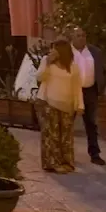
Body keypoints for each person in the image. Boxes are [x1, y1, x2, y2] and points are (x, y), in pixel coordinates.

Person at [37, 39, 84, 174]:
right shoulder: (47, 62)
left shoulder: (73, 67)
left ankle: (66, 162)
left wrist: (80, 105)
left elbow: (77, 87)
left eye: (54, 48)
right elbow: (39, 77)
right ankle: (53, 163)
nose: (51, 51)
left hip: (67, 105)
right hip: (49, 103)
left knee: (66, 137)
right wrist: (47, 63)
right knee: (52, 136)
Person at [68, 26, 106, 166]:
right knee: (68, 122)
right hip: (71, 91)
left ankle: (95, 154)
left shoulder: (95, 52)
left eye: (83, 35)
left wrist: (100, 87)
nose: (81, 38)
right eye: (78, 35)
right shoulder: (67, 52)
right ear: (72, 37)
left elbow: (103, 71)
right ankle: (66, 152)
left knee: (91, 123)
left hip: (90, 91)